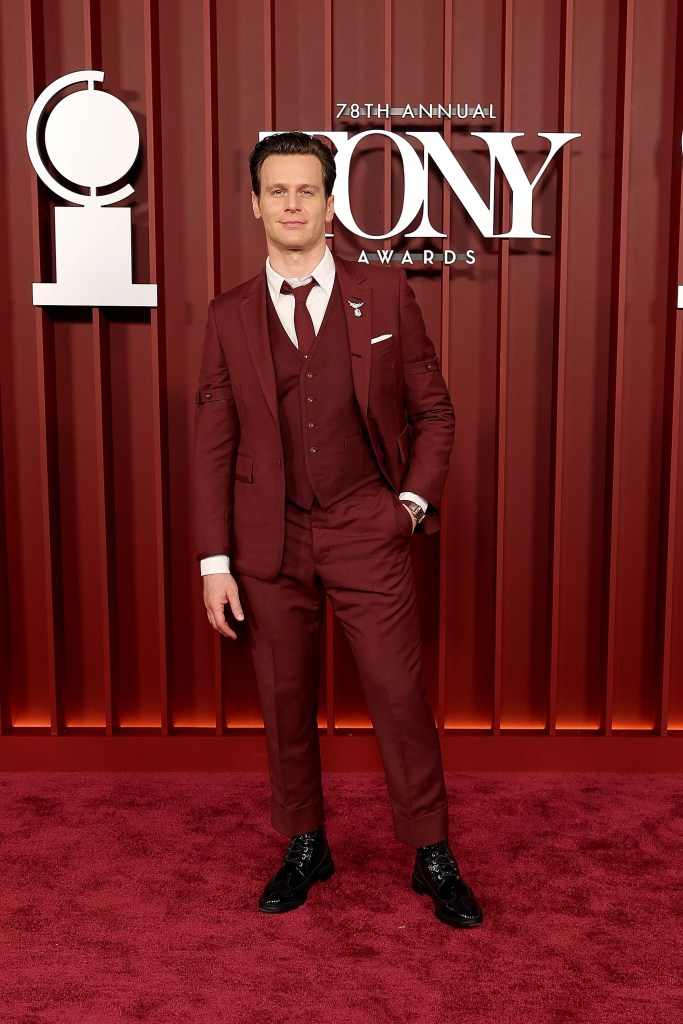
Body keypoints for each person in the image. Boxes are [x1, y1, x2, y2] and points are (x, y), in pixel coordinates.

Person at [192, 131, 483, 928]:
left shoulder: (383, 294)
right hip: (268, 539)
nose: (291, 204)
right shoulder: (226, 314)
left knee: (397, 695)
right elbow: (212, 444)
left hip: (364, 522)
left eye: (305, 191)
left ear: (328, 203)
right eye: (276, 191)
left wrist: (409, 507)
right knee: (284, 700)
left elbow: (435, 412)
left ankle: (430, 852)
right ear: (255, 204)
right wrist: (214, 560)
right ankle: (305, 842)